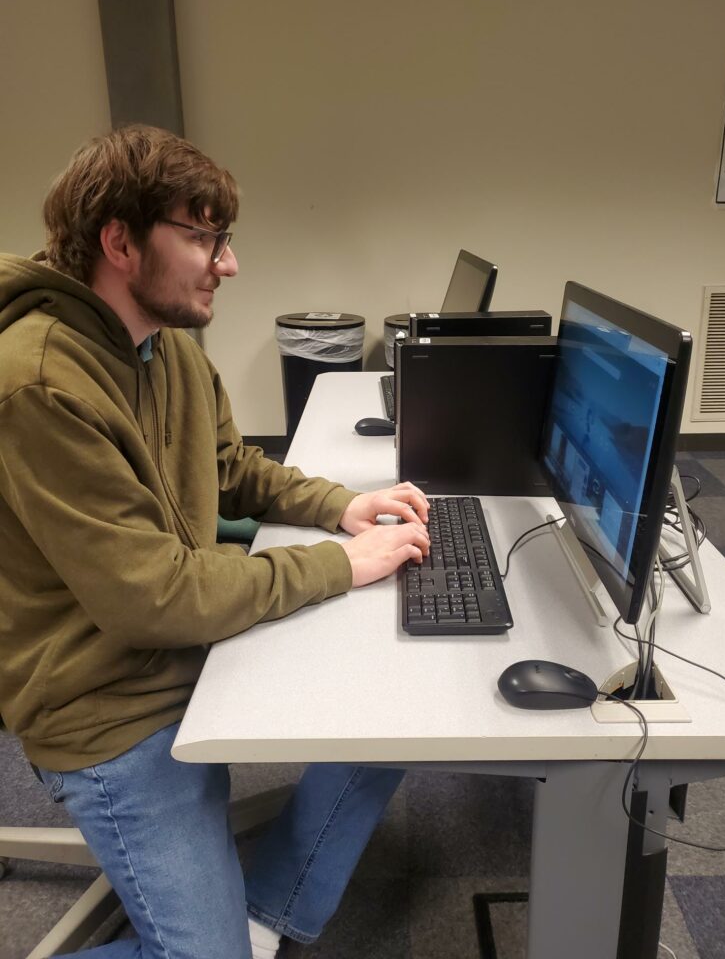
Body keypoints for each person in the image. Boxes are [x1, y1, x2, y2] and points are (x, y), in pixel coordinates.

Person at [0, 125, 430, 959]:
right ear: (119, 242)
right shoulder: (40, 385)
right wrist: (336, 564)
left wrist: (341, 507)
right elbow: (151, 597)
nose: (226, 264)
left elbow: (231, 467)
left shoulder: (166, 350)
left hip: (186, 647)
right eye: (202, 238)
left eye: (222, 239)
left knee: (394, 707)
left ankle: (260, 920)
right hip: (107, 707)